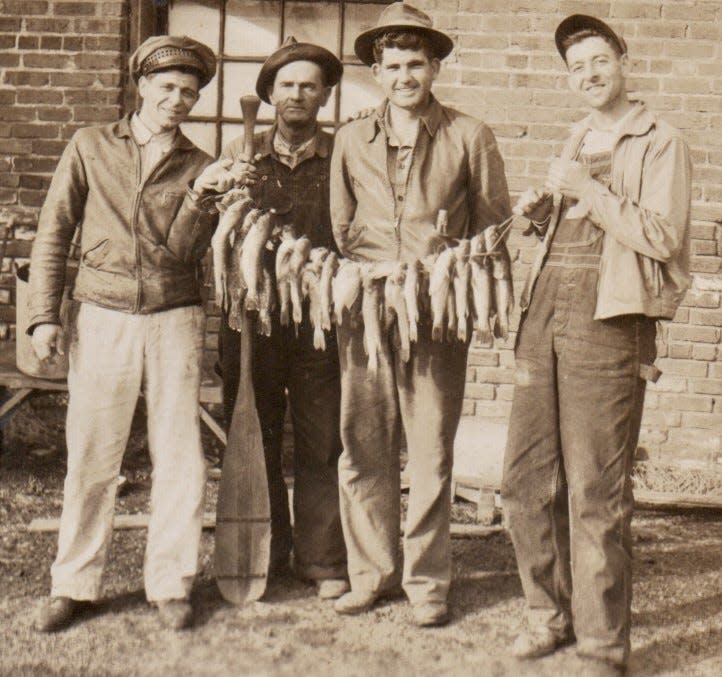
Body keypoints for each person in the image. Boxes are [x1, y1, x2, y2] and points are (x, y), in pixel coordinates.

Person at [29, 35, 240, 632]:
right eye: (167, 87)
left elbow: (183, 251)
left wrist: (203, 197)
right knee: (94, 452)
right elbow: (54, 231)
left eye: (189, 92)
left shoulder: (201, 165)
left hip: (175, 316)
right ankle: (73, 582)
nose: (177, 99)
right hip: (102, 314)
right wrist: (44, 314)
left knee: (180, 454)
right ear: (141, 86)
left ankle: (170, 582)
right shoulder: (91, 146)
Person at [502, 15, 692, 675]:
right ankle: (545, 614)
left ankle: (603, 644)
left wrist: (586, 189)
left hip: (610, 322)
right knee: (524, 482)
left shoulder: (660, 141)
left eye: (598, 60)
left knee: (595, 490)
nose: (588, 73)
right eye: (576, 66)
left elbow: (663, 236)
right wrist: (540, 212)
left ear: (623, 59)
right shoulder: (576, 135)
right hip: (543, 312)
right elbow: (565, 224)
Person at [330, 2, 511, 627]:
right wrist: (364, 277)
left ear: (434, 68)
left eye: (416, 64)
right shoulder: (351, 138)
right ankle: (369, 574)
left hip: (435, 313)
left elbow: (492, 228)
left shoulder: (469, 135)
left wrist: (448, 271)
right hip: (367, 309)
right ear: (376, 72)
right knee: (362, 445)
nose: (404, 76)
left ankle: (427, 582)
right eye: (392, 65)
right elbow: (340, 226)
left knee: (430, 450)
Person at [217, 37, 349, 599]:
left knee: (322, 439)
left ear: (324, 95)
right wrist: (228, 194)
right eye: (286, 85)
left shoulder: (343, 156)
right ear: (269, 94)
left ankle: (320, 561)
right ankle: (264, 551)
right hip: (251, 322)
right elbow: (212, 231)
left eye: (309, 85)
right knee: (257, 432)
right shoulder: (238, 152)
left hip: (319, 320)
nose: (297, 94)